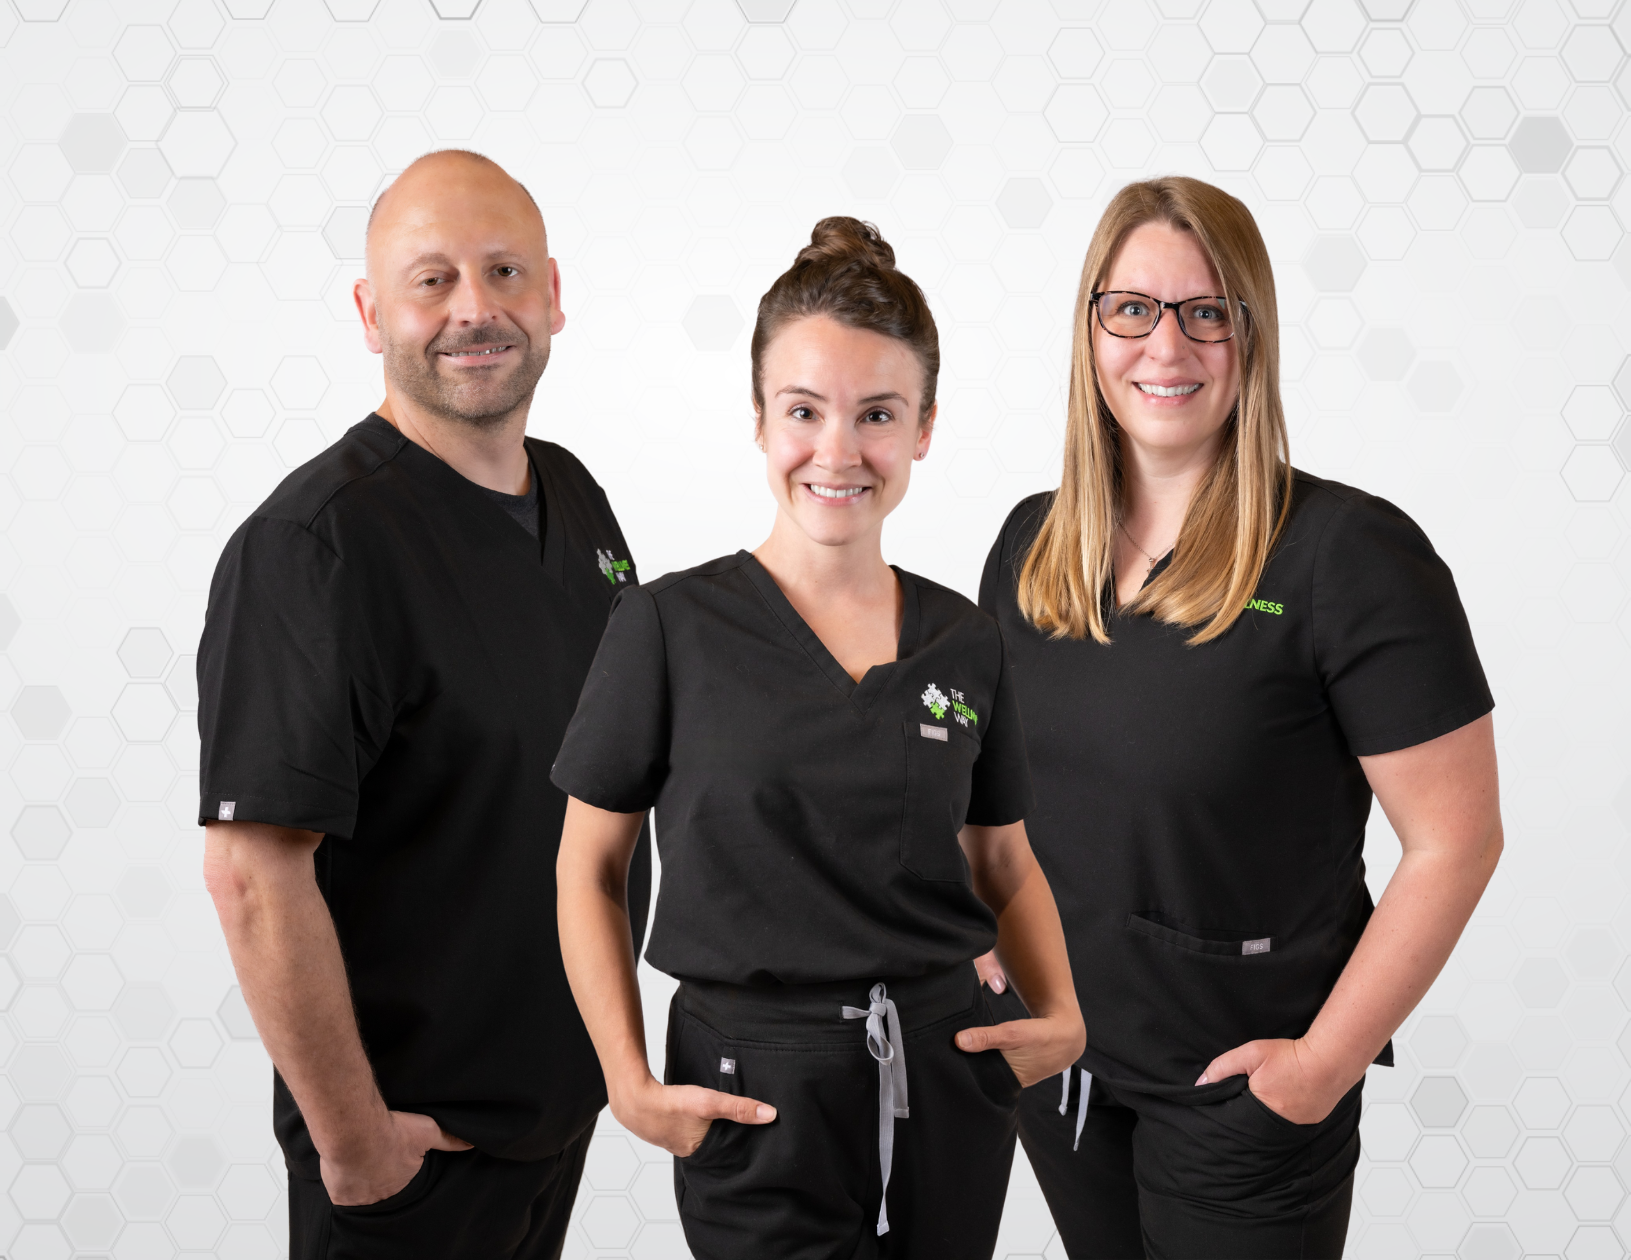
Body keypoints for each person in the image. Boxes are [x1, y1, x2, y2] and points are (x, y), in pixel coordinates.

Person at [976, 177, 1504, 1258]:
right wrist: (982, 943)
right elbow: (991, 795)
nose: (1165, 345)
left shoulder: (1351, 557)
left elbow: (1457, 842)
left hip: (1242, 1097)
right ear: (1090, 330)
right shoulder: (1030, 547)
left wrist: (1317, 1070)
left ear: (1251, 335)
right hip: (1062, 1076)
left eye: (1205, 311)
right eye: (1132, 309)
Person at [551, 217, 1086, 1258]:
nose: (838, 452)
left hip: (947, 1075)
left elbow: (1004, 862)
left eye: (877, 415)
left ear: (924, 428)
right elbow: (589, 867)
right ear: (759, 419)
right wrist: (626, 1079)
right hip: (751, 1089)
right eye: (805, 411)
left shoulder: (965, 643)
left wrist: (1063, 1012)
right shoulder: (667, 628)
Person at [198, 150, 650, 1260]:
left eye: (503, 272)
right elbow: (254, 871)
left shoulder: (577, 500)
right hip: (414, 1161)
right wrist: (357, 1147)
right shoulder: (317, 549)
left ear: (553, 295)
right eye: (432, 279)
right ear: (370, 313)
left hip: (553, 1123)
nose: (475, 309)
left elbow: (628, 761)